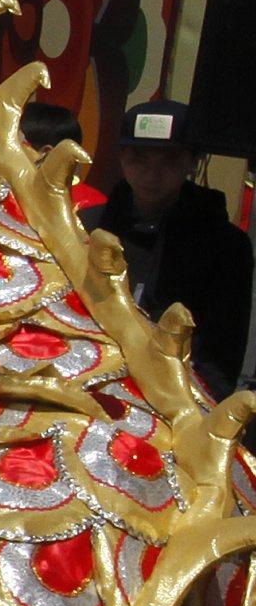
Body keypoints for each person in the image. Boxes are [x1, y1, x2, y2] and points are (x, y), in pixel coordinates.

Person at [101, 99, 250, 396]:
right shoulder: (88, 227)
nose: (152, 175)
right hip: (92, 387)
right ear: (121, 157)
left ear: (192, 162)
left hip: (175, 398)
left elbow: (221, 354)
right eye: (139, 158)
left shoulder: (225, 245)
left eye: (169, 161)